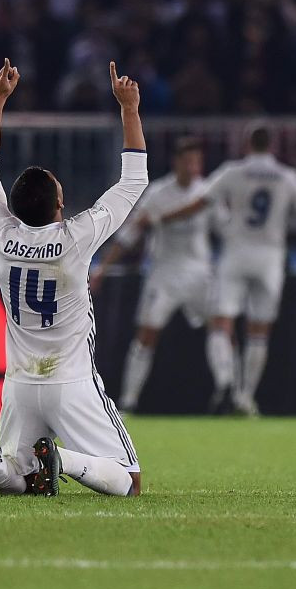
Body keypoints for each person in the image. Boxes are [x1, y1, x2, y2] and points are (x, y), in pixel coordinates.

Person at [0, 58, 147, 498]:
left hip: (20, 384)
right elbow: (134, 179)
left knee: (17, 482)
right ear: (59, 203)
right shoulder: (76, 237)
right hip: (72, 381)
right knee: (129, 482)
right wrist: (129, 109)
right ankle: (64, 459)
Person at [162, 125, 296, 415]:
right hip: (270, 258)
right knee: (258, 331)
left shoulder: (232, 171)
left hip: (236, 254)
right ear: (272, 146)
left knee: (222, 323)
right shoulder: (286, 176)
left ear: (247, 145)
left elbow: (198, 204)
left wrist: (163, 217)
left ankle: (225, 382)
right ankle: (245, 397)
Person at [90, 136, 224, 413]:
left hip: (201, 273)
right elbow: (130, 234)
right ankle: (128, 401)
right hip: (164, 274)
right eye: (187, 160)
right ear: (176, 162)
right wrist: (102, 268)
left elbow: (227, 229)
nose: (193, 166)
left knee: (220, 328)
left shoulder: (209, 192)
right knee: (146, 336)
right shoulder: (158, 193)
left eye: (196, 160)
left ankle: (228, 392)